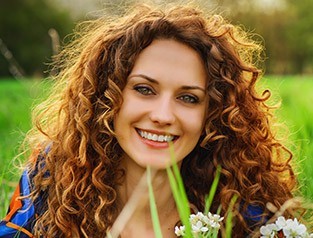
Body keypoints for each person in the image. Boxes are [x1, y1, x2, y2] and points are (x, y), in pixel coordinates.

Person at [0, 3, 299, 237]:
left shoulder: (248, 217)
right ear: (107, 99)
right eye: (144, 90)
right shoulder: (48, 187)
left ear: (213, 114)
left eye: (188, 97)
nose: (163, 115)